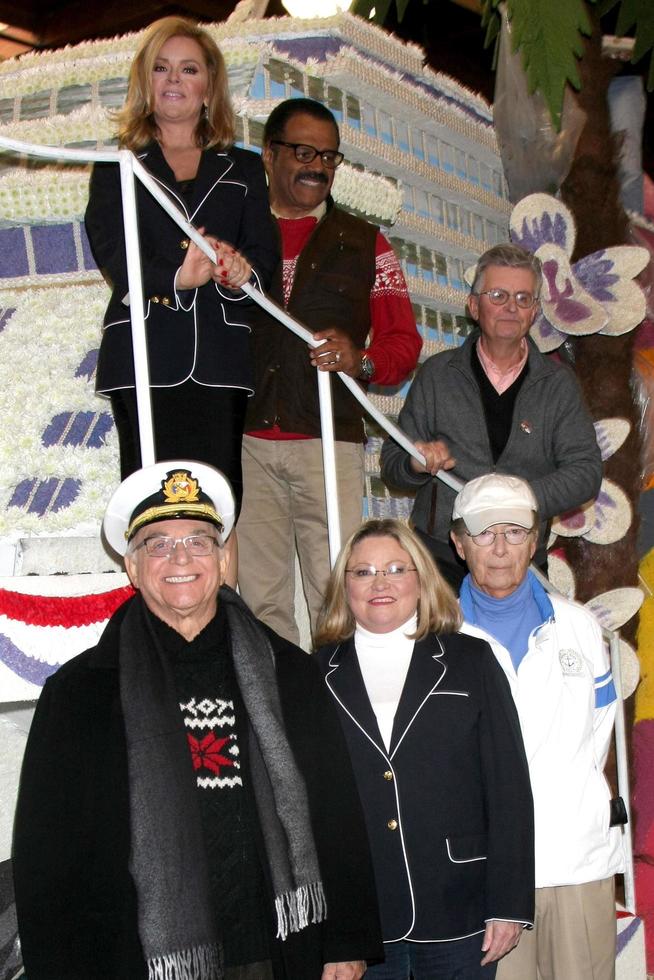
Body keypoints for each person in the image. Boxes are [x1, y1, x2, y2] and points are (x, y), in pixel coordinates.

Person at [12, 460, 383, 980]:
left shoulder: (290, 674)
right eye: (157, 545)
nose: (179, 558)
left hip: (273, 949)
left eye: (199, 542)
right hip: (134, 960)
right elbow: (47, 856)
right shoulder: (80, 694)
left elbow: (335, 812)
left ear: (225, 558)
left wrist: (345, 941)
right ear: (132, 568)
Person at [314, 518, 534, 979]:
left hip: (462, 908)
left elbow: (508, 788)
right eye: (363, 572)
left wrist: (509, 903)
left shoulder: (471, 661)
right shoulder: (312, 674)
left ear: (421, 578)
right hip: (363, 919)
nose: (380, 583)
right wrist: (331, 928)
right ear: (344, 585)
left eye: (396, 568)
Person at [237, 98, 422, 645]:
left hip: (329, 442)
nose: (317, 166)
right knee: (261, 598)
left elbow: (403, 345)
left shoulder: (368, 243)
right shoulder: (234, 234)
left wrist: (360, 360)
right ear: (269, 155)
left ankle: (339, 712)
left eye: (328, 156)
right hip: (245, 441)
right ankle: (282, 719)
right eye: (302, 152)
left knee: (336, 594)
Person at [85, 16, 278, 513]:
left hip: (220, 356)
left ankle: (221, 594)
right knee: (149, 506)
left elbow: (265, 260)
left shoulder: (245, 167)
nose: (174, 80)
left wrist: (239, 273)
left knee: (219, 502)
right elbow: (111, 251)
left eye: (188, 69)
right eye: (162, 68)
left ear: (209, 85)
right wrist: (177, 277)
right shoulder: (116, 164)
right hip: (144, 352)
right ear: (144, 82)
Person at [450, 473, 624, 980]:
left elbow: (600, 735)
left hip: (576, 862)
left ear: (536, 540)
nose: (500, 548)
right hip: (483, 878)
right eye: (484, 533)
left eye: (515, 531)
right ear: (460, 543)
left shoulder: (581, 629)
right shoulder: (436, 637)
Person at [380, 243, 602, 591]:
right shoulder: (437, 374)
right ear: (473, 305)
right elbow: (392, 464)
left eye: (523, 298)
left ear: (534, 313)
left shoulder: (558, 385)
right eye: (498, 295)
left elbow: (586, 472)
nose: (511, 307)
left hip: (521, 562)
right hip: (441, 562)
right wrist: (415, 464)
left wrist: (515, 497)